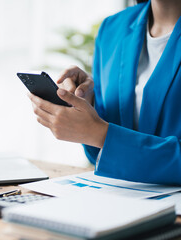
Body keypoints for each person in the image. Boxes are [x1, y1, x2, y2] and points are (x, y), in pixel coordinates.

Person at [28, 0, 181, 185]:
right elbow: (100, 155)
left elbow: (104, 138)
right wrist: (87, 103)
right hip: (120, 194)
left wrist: (100, 134)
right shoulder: (113, 28)